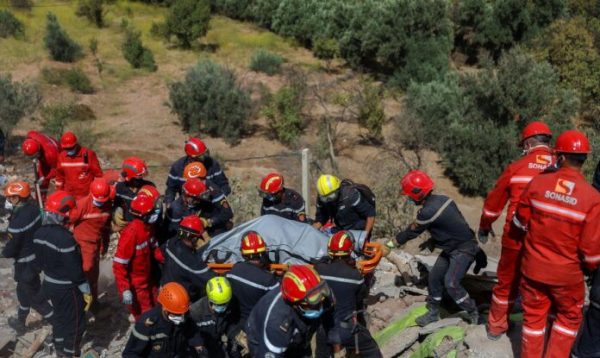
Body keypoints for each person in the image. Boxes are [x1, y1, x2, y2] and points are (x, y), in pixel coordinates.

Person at [512, 130, 600, 358]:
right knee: (569, 319)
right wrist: (588, 270)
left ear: (559, 157)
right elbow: (591, 252)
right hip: (567, 276)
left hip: (532, 269)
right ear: (584, 159)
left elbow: (519, 220)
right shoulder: (592, 198)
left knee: (533, 319)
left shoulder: (538, 183)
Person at [479, 121, 555, 339]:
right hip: (550, 238)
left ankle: (496, 327)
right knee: (545, 286)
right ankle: (542, 332)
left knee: (507, 282)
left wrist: (485, 226)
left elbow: (493, 204)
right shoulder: (563, 167)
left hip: (515, 235)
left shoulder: (517, 167)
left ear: (529, 143)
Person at [385, 170, 480, 326]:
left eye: (409, 195)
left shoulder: (426, 212)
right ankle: (434, 312)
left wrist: (389, 244)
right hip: (453, 247)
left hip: (463, 250)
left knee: (451, 283)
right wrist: (434, 240)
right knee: (434, 278)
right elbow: (451, 225)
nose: (408, 198)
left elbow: (411, 232)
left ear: (417, 194)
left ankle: (473, 311)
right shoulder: (444, 199)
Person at [33, 191, 92, 357]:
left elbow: (39, 261)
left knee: (58, 316)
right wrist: (83, 286)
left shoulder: (39, 234)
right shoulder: (66, 239)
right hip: (67, 288)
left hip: (49, 283)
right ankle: (70, 352)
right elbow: (74, 268)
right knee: (76, 322)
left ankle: (58, 346)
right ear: (63, 214)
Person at [315, 231, 382, 357]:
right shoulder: (355, 276)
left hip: (323, 328)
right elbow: (359, 300)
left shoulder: (319, 269)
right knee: (371, 348)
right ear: (350, 250)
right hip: (345, 330)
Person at [246, 265, 337, 357]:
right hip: (265, 341)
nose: (319, 306)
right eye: (313, 303)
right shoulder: (276, 323)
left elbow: (330, 321)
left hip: (298, 334)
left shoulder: (321, 294)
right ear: (295, 304)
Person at [1, 181, 53, 332]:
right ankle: (21, 320)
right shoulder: (34, 209)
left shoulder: (17, 223)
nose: (8, 201)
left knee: (35, 297)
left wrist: (2, 253)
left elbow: (11, 249)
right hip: (36, 257)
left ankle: (57, 321)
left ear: (17, 199)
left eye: (10, 198)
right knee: (22, 291)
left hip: (25, 264)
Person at [113, 193, 164, 320]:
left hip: (147, 278)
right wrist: (125, 289)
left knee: (159, 304)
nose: (154, 214)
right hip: (136, 285)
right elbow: (119, 264)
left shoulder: (148, 227)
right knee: (145, 316)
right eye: (151, 212)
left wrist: (166, 259)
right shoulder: (131, 234)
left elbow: (154, 247)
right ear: (143, 215)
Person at [123, 282, 205, 357]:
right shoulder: (147, 325)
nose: (182, 318)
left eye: (184, 314)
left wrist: (198, 345)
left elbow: (192, 331)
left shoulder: (182, 314)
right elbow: (130, 354)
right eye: (177, 314)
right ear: (165, 310)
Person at [69, 178, 112, 302]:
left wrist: (105, 244)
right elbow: (67, 221)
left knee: (94, 274)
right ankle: (81, 300)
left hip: (95, 244)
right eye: (97, 200)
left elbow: (106, 228)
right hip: (82, 244)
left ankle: (93, 300)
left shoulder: (107, 205)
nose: (100, 203)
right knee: (86, 272)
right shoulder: (82, 205)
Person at [227, 231, 279, 324]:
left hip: (236, 321)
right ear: (263, 253)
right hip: (257, 324)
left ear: (243, 253)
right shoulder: (268, 281)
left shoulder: (234, 270)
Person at [160, 215, 215, 301]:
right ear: (194, 239)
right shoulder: (191, 262)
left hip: (165, 290)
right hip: (180, 299)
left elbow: (161, 252)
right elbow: (210, 279)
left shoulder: (171, 243)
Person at [165, 137, 231, 206]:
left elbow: (224, 186)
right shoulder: (178, 167)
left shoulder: (212, 164)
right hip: (186, 207)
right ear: (191, 157)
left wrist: (217, 199)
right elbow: (171, 189)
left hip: (210, 206)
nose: (205, 158)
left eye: (206, 154)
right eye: (201, 156)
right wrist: (169, 205)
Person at [189, 277, 242, 358]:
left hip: (216, 344)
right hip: (200, 348)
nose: (223, 307)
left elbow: (230, 324)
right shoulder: (195, 312)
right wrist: (197, 344)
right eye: (219, 304)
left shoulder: (231, 305)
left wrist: (235, 337)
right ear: (210, 299)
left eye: (225, 303)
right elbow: (189, 333)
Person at [166, 178, 233, 238]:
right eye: (196, 199)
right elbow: (174, 234)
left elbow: (227, 213)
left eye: (200, 198)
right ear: (187, 196)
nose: (198, 201)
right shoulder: (176, 209)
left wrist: (208, 222)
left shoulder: (203, 200)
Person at [55, 131, 103, 200]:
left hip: (86, 195)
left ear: (76, 144)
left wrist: (98, 192)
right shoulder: (61, 157)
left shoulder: (88, 154)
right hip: (69, 195)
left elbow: (98, 175)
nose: (69, 150)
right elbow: (59, 176)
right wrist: (59, 193)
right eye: (66, 149)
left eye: (71, 148)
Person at [113, 156, 156, 231]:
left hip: (145, 227)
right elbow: (116, 205)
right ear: (129, 177)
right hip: (127, 226)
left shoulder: (149, 187)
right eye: (138, 178)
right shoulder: (120, 188)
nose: (141, 180)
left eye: (141, 177)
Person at [22, 131, 61, 200]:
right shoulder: (31, 136)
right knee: (40, 182)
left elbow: (56, 169)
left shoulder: (50, 155)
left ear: (38, 151)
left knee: (43, 180)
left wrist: (45, 178)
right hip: (44, 154)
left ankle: (46, 201)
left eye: (34, 156)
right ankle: (39, 200)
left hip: (58, 154)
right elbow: (31, 132)